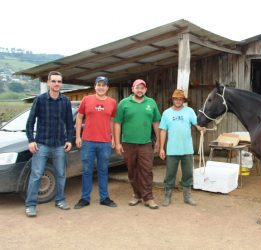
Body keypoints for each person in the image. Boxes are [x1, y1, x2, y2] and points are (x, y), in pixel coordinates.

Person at [25, 71, 74, 217]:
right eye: (53, 81)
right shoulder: (39, 100)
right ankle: (31, 205)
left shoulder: (65, 101)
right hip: (42, 144)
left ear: (62, 84)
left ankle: (60, 200)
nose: (56, 84)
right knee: (36, 175)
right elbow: (30, 122)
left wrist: (69, 140)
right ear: (48, 83)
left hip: (59, 144)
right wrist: (31, 140)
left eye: (59, 81)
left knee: (61, 173)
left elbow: (69, 123)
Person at [114, 79, 161, 209]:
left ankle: (148, 197)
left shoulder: (151, 103)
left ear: (145, 90)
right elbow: (117, 123)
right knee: (132, 170)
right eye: (137, 87)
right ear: (132, 89)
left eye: (142, 88)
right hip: (128, 143)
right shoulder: (124, 103)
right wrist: (117, 143)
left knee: (146, 170)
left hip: (145, 143)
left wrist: (159, 141)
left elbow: (156, 122)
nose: (139, 90)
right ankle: (136, 194)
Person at [73, 76, 117, 209]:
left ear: (107, 88)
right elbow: (79, 118)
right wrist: (78, 137)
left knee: (103, 170)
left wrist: (114, 138)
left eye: (104, 85)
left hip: (105, 142)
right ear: (95, 86)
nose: (101, 87)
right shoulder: (86, 100)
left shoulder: (112, 102)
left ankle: (104, 198)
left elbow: (112, 121)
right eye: (99, 84)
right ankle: (85, 198)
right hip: (88, 141)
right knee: (87, 170)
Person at [159, 89, 206, 206]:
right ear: (172, 100)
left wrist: (202, 128)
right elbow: (163, 131)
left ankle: (187, 197)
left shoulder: (189, 111)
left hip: (187, 149)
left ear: (183, 100)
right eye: (176, 99)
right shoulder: (166, 113)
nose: (178, 101)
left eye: (180, 99)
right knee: (170, 174)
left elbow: (197, 125)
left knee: (188, 173)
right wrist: (161, 148)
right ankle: (167, 197)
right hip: (172, 149)